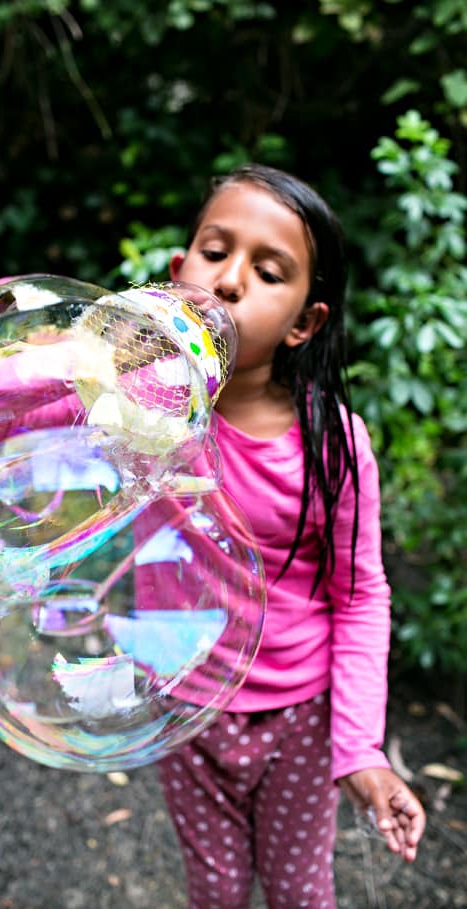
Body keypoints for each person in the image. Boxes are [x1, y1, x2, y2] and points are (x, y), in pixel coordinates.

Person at [155, 163, 426, 909]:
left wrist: (359, 749)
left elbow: (361, 593)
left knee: (300, 893)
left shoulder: (331, 444)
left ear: (304, 321)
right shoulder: (136, 410)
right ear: (177, 274)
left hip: (295, 719)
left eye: (267, 270)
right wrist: (78, 352)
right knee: (212, 891)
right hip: (182, 703)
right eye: (214, 253)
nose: (231, 280)